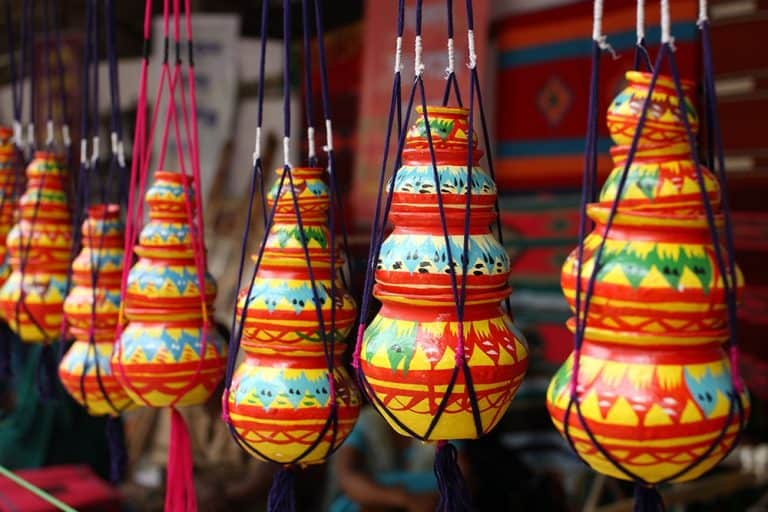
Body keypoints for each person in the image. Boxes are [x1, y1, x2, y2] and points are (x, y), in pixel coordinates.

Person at [327, 406, 470, 512]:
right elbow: (347, 478)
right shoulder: (365, 422)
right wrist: (406, 499)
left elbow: (463, 477)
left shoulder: (438, 423)